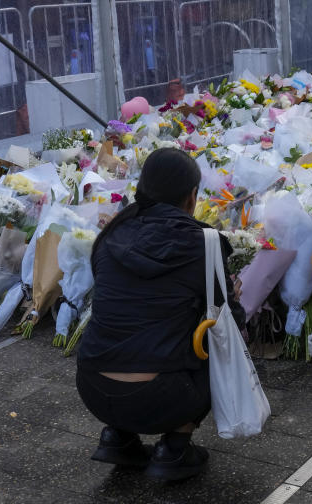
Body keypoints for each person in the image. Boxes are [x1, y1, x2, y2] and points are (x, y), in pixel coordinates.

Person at [76, 148, 246, 481]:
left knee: (130, 328)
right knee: (215, 338)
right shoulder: (203, 243)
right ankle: (176, 447)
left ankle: (118, 437)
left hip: (92, 386)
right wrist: (231, 298)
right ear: (192, 195)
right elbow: (230, 324)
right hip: (161, 396)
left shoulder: (111, 234)